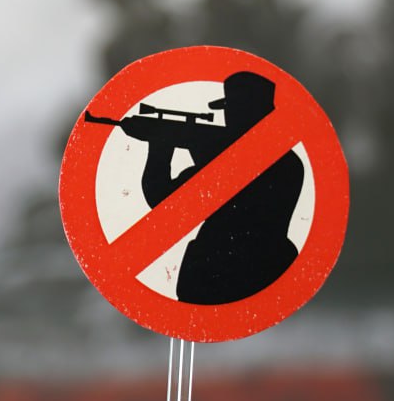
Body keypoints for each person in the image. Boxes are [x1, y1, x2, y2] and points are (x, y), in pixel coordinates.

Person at [118, 71, 303, 304]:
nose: (227, 118)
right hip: (271, 275)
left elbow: (161, 198)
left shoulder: (236, 163)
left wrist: (160, 147)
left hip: (217, 276)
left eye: (232, 110)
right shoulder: (290, 161)